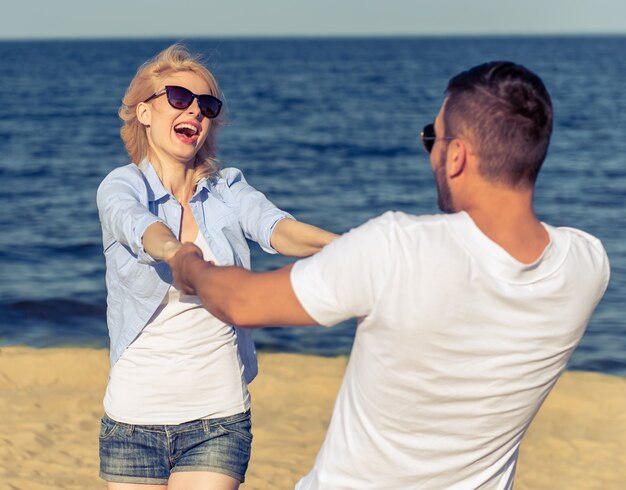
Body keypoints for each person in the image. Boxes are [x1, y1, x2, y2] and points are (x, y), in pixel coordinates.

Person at [168, 61, 610, 489]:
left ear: (455, 155)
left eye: (431, 137)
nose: (431, 149)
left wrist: (191, 266)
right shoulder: (587, 264)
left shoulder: (397, 247)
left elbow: (243, 303)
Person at [96, 43, 337, 490]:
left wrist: (351, 247)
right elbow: (141, 229)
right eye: (179, 98)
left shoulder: (228, 188)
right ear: (144, 113)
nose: (195, 111)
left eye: (206, 105)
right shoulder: (121, 186)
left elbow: (278, 229)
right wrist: (178, 254)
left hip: (217, 416)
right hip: (132, 418)